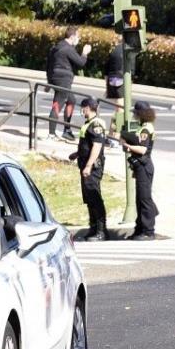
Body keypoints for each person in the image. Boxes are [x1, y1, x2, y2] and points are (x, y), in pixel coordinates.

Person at [68, 97, 108, 241]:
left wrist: (89, 166)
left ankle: (101, 231)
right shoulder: (89, 123)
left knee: (95, 197)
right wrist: (77, 154)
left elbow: (97, 146)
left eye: (83, 107)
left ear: (87, 108)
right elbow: (87, 145)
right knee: (89, 199)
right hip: (85, 165)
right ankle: (93, 228)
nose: (82, 110)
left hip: (92, 167)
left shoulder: (96, 124)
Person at [45, 26, 92, 140]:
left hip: (56, 78)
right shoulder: (68, 49)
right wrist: (85, 53)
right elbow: (80, 63)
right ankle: (51, 134)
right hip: (63, 79)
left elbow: (48, 65)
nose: (79, 39)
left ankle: (67, 130)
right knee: (58, 103)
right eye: (78, 37)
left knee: (71, 100)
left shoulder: (57, 47)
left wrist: (49, 80)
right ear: (72, 37)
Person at [121, 101, 158, 240]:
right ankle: (140, 229)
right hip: (141, 166)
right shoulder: (144, 126)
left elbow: (142, 149)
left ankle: (148, 231)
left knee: (144, 199)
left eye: (135, 112)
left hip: (144, 165)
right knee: (140, 198)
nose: (134, 114)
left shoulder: (145, 129)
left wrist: (128, 146)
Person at [105, 41, 125, 140]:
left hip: (111, 79)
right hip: (121, 79)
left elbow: (106, 69)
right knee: (120, 110)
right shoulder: (126, 50)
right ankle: (116, 135)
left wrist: (106, 87)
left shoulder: (115, 50)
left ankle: (110, 135)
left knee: (117, 110)